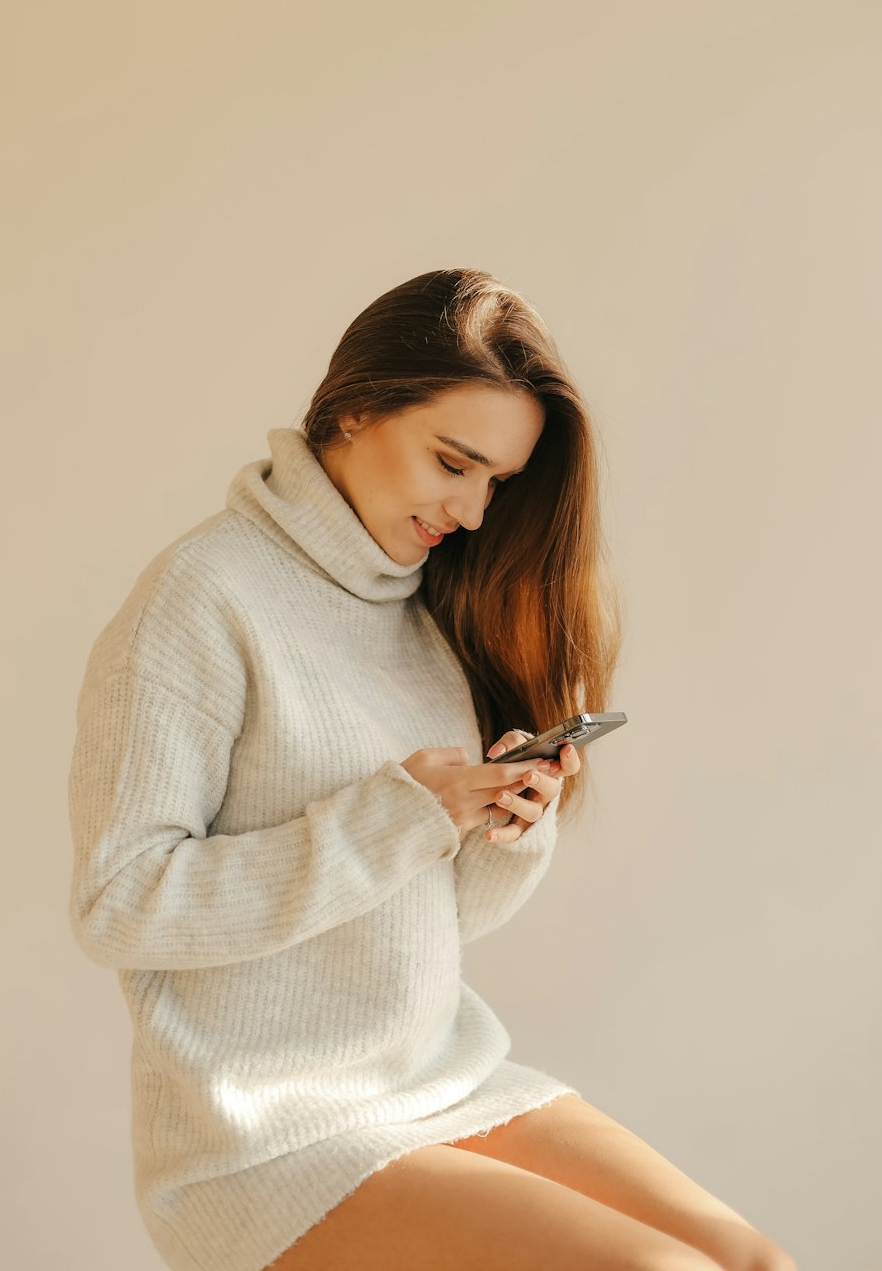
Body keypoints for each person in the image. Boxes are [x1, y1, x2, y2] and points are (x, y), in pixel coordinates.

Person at [67, 269, 796, 1271]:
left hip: (438, 1082)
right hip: (268, 1138)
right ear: (358, 406)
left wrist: (504, 825)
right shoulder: (203, 598)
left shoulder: (423, 617)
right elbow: (122, 904)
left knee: (749, 1261)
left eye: (496, 481)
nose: (472, 509)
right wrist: (398, 816)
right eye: (453, 461)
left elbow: (424, 923)